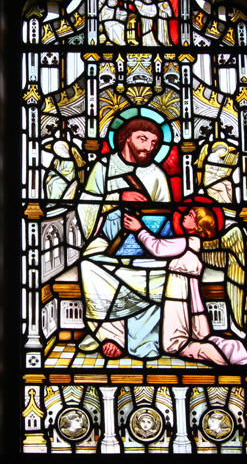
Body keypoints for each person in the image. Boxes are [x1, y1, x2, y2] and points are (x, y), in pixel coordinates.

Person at [76, 117, 171, 359]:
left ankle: (142, 340)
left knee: (156, 272)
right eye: (143, 138)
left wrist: (146, 234)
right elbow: (85, 210)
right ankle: (111, 334)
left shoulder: (157, 175)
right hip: (106, 242)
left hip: (147, 244)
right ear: (126, 137)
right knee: (89, 265)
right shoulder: (103, 168)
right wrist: (118, 196)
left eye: (154, 143)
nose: (148, 147)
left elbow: (166, 218)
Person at [122, 207, 247, 365]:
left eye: (191, 215)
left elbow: (158, 247)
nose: (185, 215)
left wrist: (139, 229)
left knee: (174, 345)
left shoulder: (185, 242)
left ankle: (219, 359)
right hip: (193, 304)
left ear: (198, 226)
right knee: (204, 337)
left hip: (179, 298)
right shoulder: (195, 245)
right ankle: (235, 350)